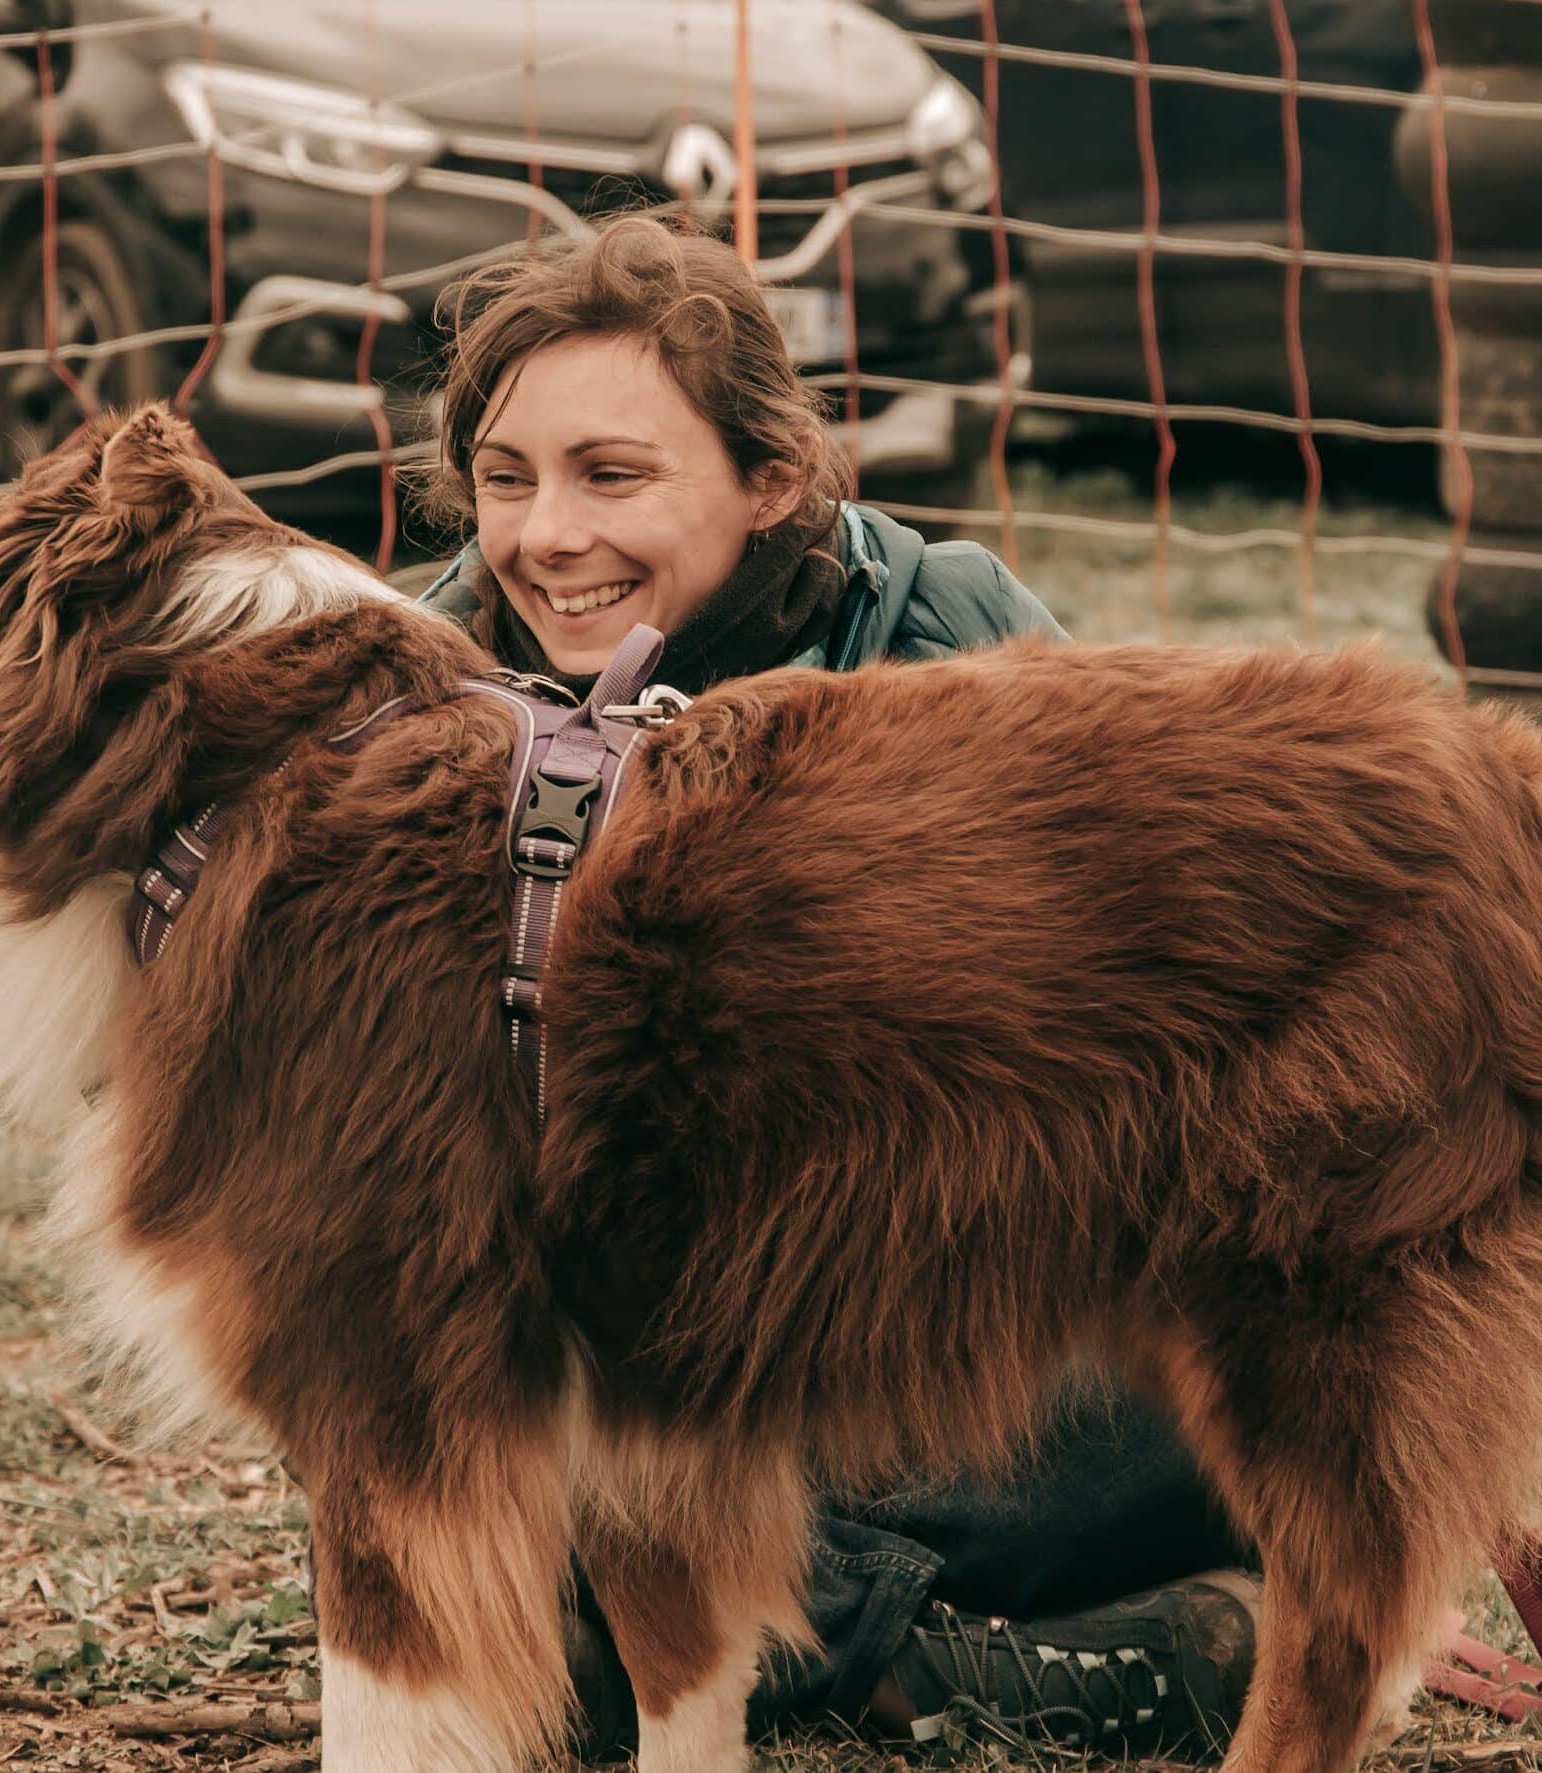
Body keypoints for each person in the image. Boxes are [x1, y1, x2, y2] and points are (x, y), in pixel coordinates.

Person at [412, 214, 1260, 1761]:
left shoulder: (956, 631)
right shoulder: (421, 692)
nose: (543, 535)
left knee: (1171, 1392)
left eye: (614, 475)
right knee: (541, 1508)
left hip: (943, 1312)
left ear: (772, 479)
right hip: (620, 1361)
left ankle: (845, 1631)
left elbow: (1154, 1028)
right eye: (506, 477)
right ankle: (955, 1659)